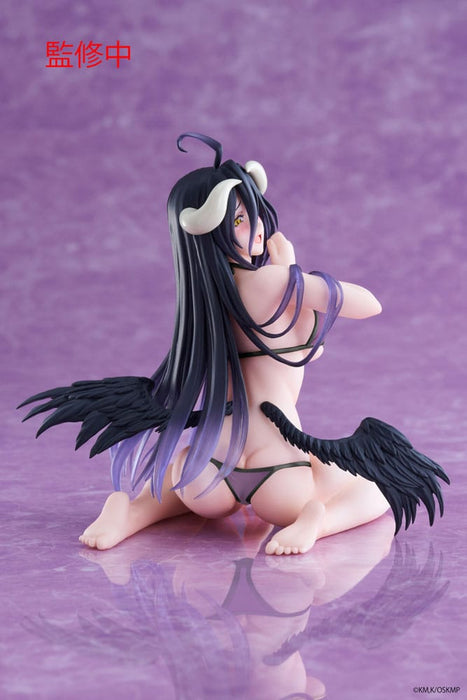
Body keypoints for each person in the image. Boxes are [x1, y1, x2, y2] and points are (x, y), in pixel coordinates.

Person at [19, 133, 448, 555]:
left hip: (206, 470)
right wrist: (292, 272)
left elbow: (293, 351)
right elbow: (368, 304)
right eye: (240, 220)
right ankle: (315, 521)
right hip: (279, 471)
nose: (257, 228)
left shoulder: (201, 300)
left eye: (254, 214)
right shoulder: (272, 281)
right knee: (375, 490)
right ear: (214, 229)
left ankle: (129, 511)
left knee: (176, 481)